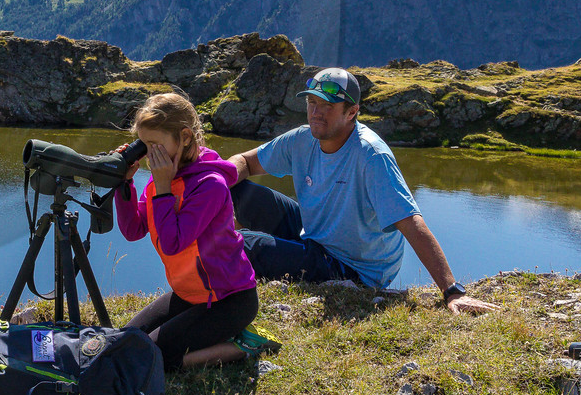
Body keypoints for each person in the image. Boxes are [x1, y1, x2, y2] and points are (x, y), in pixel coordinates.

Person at [228, 68, 501, 315]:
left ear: (352, 112)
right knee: (235, 189)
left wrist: (452, 291)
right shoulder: (302, 138)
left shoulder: (371, 156)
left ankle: (209, 262)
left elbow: (411, 223)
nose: (316, 112)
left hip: (353, 267)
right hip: (316, 234)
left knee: (245, 245)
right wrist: (208, 182)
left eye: (328, 105)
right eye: (312, 102)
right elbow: (246, 162)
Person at [115, 93, 261, 371]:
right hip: (189, 294)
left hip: (229, 300)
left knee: (153, 358)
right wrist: (125, 184)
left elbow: (174, 243)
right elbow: (134, 230)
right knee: (125, 341)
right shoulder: (164, 180)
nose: (149, 154)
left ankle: (244, 346)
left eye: (155, 145)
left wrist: (163, 188)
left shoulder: (210, 185)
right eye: (144, 146)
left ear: (184, 137)